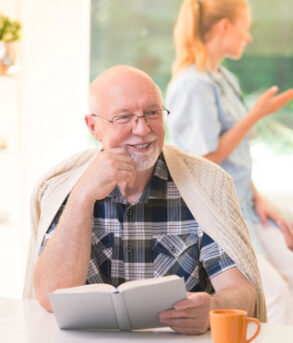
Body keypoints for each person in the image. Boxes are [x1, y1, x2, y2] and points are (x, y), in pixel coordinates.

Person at [23, 65, 266, 335]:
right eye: (124, 117)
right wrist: (82, 196)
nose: (142, 129)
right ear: (94, 127)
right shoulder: (62, 185)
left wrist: (213, 307)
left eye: (152, 113)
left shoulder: (207, 184)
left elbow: (243, 292)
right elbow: (52, 297)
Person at [165, 0, 293, 326]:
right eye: (245, 27)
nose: (248, 37)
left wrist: (259, 198)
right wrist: (255, 115)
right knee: (272, 291)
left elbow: (235, 161)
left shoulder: (224, 79)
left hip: (245, 206)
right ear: (224, 27)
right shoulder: (193, 85)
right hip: (218, 215)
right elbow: (205, 160)